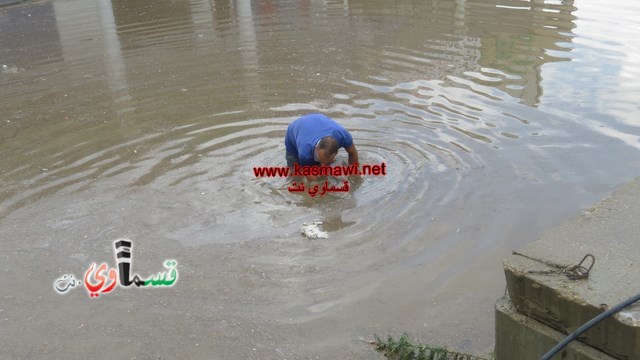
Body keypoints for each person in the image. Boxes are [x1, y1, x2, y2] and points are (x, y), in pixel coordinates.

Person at [285, 114, 359, 174]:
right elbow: (311, 178)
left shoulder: (343, 136)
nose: (323, 165)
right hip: (294, 133)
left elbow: (353, 153)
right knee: (295, 174)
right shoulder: (305, 151)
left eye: (327, 162)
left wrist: (353, 173)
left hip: (318, 121)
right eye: (321, 161)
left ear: (336, 151)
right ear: (316, 148)